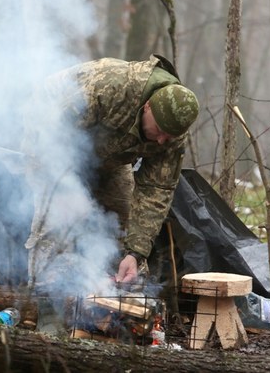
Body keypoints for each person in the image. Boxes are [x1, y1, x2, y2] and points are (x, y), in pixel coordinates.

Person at [23, 54, 199, 289]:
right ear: (147, 106)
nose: (161, 141)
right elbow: (52, 135)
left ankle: (121, 294)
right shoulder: (110, 86)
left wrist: (135, 253)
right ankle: (42, 297)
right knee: (56, 217)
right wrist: (65, 188)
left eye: (169, 136)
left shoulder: (172, 130)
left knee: (121, 223)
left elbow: (156, 190)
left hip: (109, 154)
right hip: (50, 134)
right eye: (159, 130)